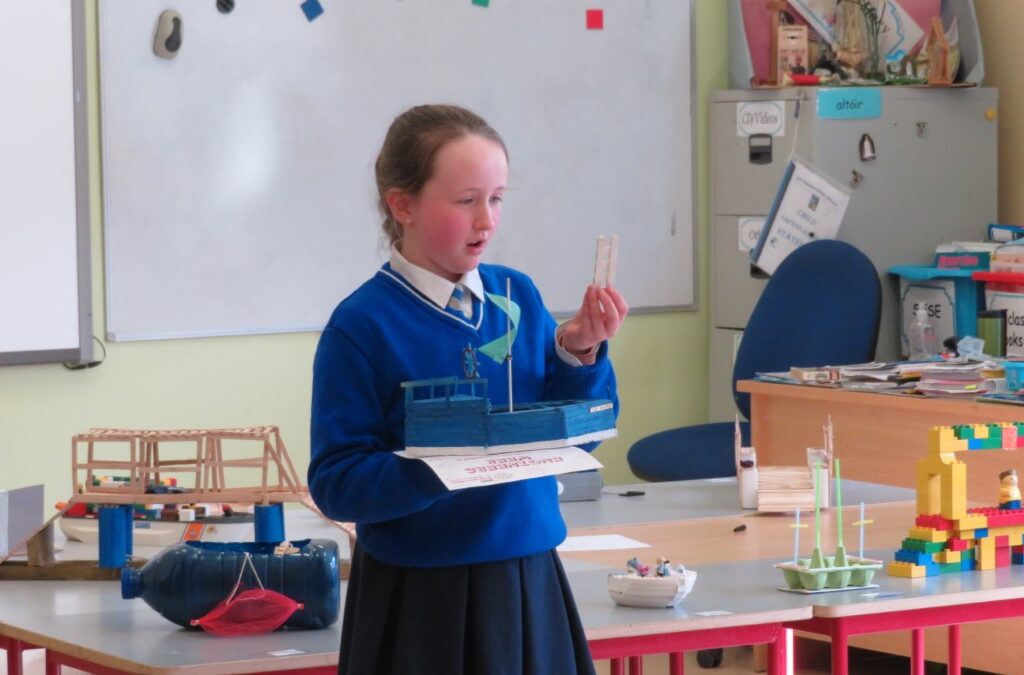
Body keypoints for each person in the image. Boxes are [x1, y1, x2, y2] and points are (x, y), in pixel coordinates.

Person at [308, 104, 627, 675]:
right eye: (466, 200)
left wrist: (578, 354)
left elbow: (579, 437)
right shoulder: (361, 326)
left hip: (528, 579)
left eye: (497, 198)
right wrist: (439, 467)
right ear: (402, 205)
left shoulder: (517, 296)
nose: (487, 220)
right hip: (420, 599)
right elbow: (337, 484)